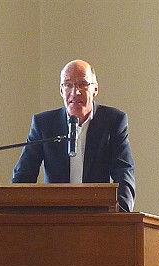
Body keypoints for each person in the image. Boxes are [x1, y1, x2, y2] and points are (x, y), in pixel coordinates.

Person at [11, 59, 136, 212]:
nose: (75, 92)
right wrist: (13, 211)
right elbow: (23, 176)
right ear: (61, 90)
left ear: (95, 89)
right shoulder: (44, 124)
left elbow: (124, 173)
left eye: (82, 84)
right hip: (54, 218)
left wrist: (122, 216)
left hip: (98, 218)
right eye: (68, 84)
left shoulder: (113, 121)